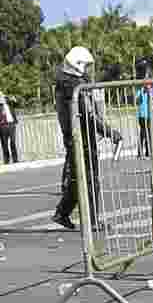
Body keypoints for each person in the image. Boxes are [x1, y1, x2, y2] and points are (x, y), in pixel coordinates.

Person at [51, 47, 121, 230]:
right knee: (89, 179)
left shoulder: (66, 84)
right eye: (87, 66)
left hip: (76, 136)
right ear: (78, 65)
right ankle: (91, 221)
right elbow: (88, 115)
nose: (89, 70)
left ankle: (62, 213)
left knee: (78, 178)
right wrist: (110, 132)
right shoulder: (74, 88)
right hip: (80, 137)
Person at [0, 93, 19, 165]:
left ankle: (15, 159)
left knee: (13, 142)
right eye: (1, 98)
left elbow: (17, 104)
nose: (3, 99)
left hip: (11, 124)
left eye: (4, 97)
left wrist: (14, 100)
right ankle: (6, 160)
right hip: (3, 126)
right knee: (4, 144)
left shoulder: (10, 104)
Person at [136, 80, 153, 158]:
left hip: (149, 115)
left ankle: (148, 152)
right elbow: (137, 101)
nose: (148, 86)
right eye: (147, 84)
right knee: (143, 134)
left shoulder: (151, 92)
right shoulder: (140, 91)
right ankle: (140, 152)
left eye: (149, 85)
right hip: (142, 116)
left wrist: (151, 94)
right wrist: (141, 93)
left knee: (149, 134)